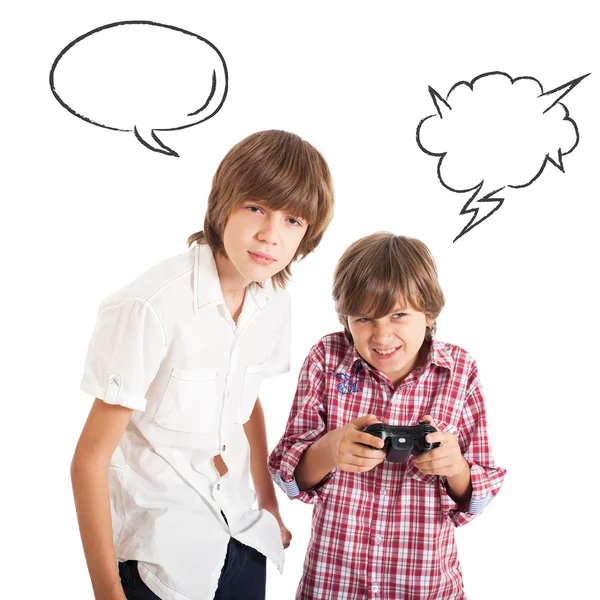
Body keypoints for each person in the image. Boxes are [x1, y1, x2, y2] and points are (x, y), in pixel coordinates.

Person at [71, 130, 334, 600]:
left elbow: (244, 402)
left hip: (241, 535)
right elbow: (89, 460)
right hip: (160, 554)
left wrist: (268, 503)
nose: (270, 235)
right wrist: (107, 592)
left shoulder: (274, 302)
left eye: (292, 220)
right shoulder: (149, 307)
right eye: (256, 207)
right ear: (223, 204)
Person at [269, 232, 506, 599]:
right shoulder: (327, 360)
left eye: (398, 315)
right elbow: (288, 476)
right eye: (364, 318)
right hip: (334, 582)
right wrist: (332, 448)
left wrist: (455, 466)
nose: (382, 335)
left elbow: (479, 494)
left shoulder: (459, 371)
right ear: (345, 318)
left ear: (428, 314)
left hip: (425, 585)